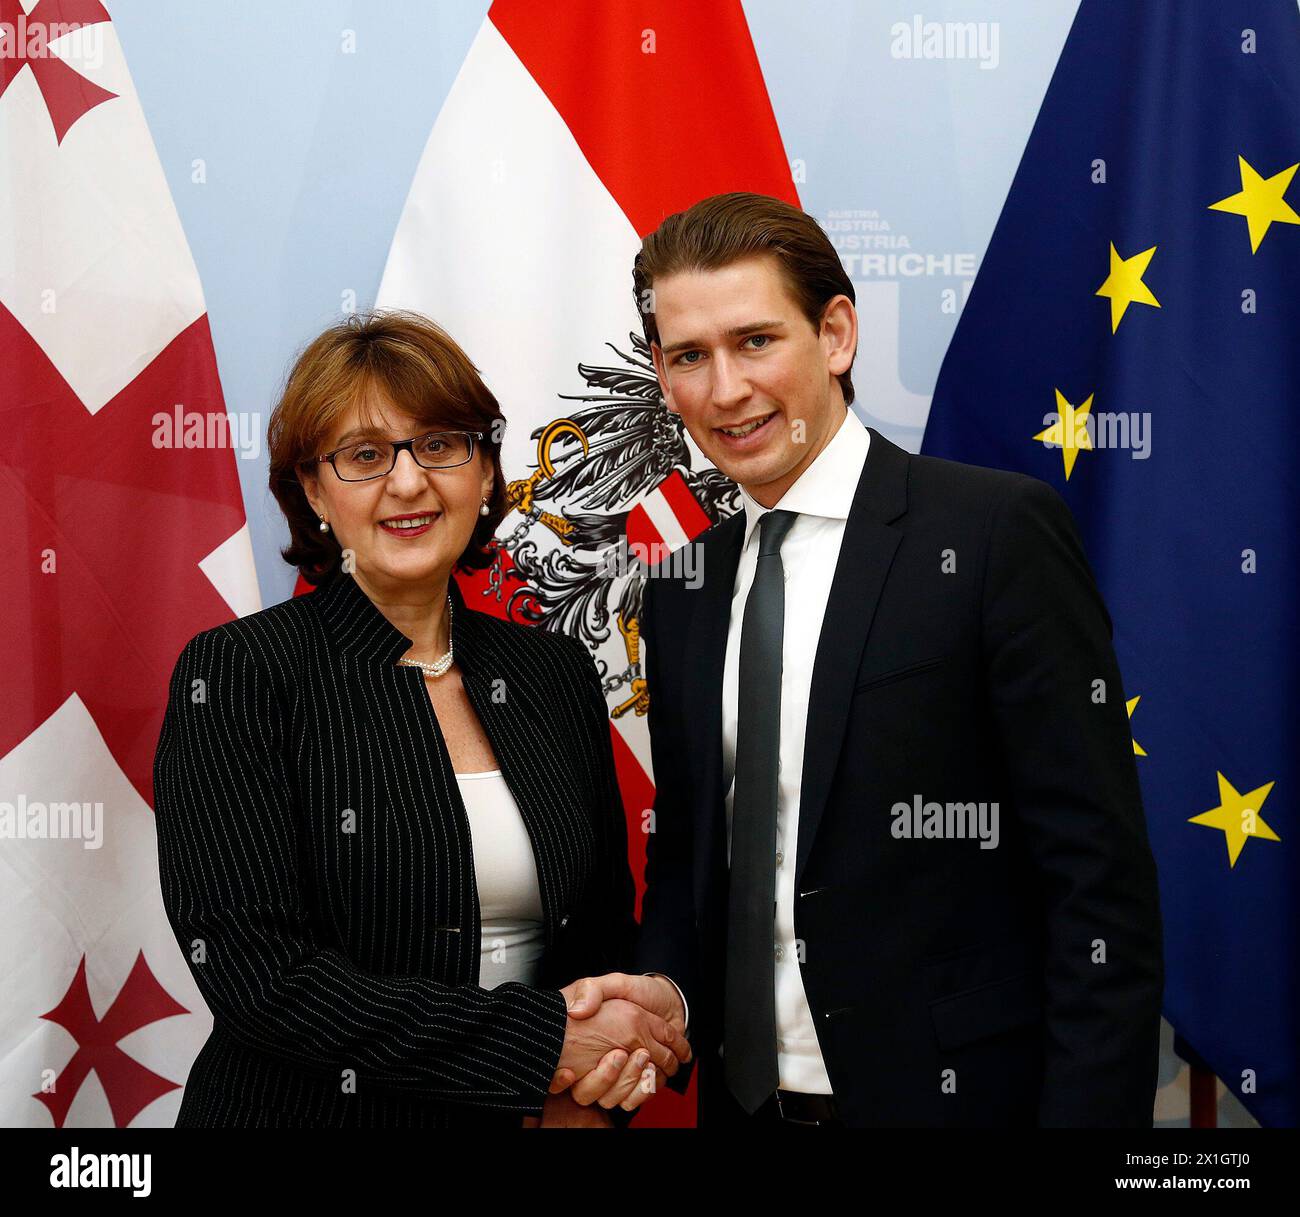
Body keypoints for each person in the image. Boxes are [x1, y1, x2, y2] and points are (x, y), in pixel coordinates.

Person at [564, 191, 1164, 1127]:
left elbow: (1099, 887)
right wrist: (667, 1000)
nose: (724, 390)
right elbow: (690, 864)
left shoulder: (995, 533)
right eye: (689, 356)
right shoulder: (682, 586)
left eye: (755, 340)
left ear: (835, 333)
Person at [152, 310, 689, 1128]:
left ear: (484, 474)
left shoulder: (549, 670)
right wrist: (542, 1048)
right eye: (365, 456)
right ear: (313, 491)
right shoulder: (238, 673)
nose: (409, 482)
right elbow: (260, 976)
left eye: (440, 443)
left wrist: (601, 1086)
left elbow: (602, 935)